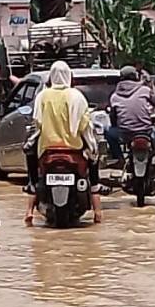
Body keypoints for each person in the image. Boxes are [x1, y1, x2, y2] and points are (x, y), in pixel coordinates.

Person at [24, 61, 102, 227]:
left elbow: (37, 123)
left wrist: (31, 141)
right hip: (74, 149)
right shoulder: (77, 96)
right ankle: (97, 212)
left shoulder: (42, 96)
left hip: (47, 150)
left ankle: (29, 211)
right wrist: (93, 147)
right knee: (93, 170)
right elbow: (85, 125)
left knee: (34, 177)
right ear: (69, 76)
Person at [105, 66, 155, 165]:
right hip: (146, 132)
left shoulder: (114, 96)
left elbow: (113, 117)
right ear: (136, 77)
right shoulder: (145, 90)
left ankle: (119, 158)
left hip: (125, 134)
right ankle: (151, 154)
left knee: (107, 130)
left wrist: (117, 125)